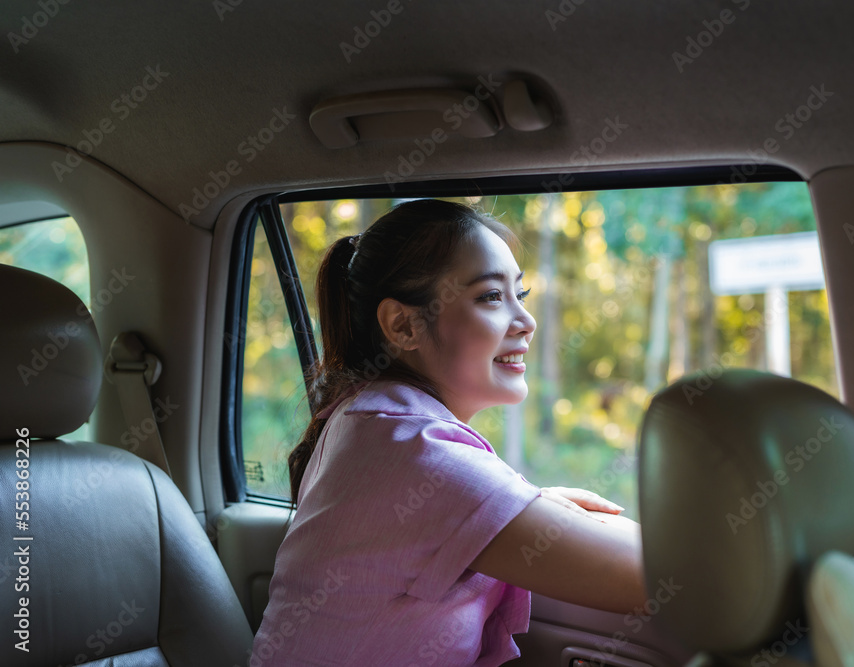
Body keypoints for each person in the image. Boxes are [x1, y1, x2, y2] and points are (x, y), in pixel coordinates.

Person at [251, 199, 646, 667]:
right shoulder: (409, 446)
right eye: (491, 297)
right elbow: (649, 576)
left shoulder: (371, 420)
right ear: (403, 325)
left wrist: (526, 505)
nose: (526, 321)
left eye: (521, 294)